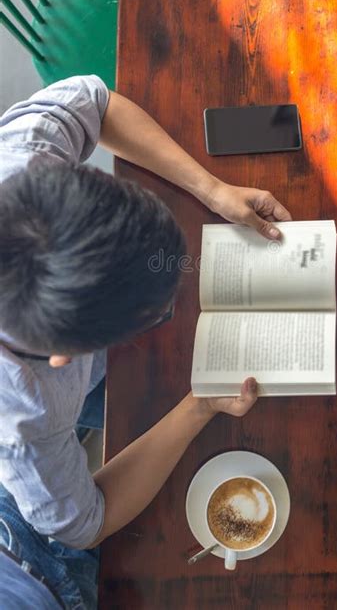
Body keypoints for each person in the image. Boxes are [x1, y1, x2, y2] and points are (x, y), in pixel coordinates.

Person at [0, 75, 292, 608]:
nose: (174, 307)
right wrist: (199, 403)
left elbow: (94, 102)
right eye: (152, 315)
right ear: (65, 358)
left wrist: (212, 189)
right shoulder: (27, 427)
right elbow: (87, 522)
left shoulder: (22, 165)